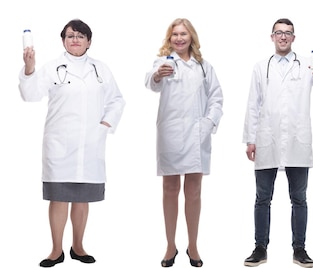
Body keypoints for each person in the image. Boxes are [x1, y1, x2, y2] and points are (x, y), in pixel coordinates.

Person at [18, 19, 125, 267]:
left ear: (89, 41)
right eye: (69, 36)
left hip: (90, 145)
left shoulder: (101, 69)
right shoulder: (52, 67)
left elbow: (117, 100)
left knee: (82, 198)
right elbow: (30, 94)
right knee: (59, 198)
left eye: (80, 35)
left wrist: (105, 126)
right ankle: (56, 250)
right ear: (63, 40)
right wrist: (29, 68)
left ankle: (78, 247)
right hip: (60, 144)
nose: (74, 39)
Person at [241, 18, 313, 268]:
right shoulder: (261, 67)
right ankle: (260, 248)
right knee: (262, 198)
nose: (283, 37)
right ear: (271, 37)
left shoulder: (308, 64)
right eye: (278, 33)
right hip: (267, 140)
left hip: (297, 140)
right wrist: (250, 140)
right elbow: (253, 104)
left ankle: (300, 249)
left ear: (294, 38)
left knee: (299, 198)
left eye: (288, 33)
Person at [144, 18, 224, 268]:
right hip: (170, 134)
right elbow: (151, 83)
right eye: (174, 35)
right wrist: (158, 74)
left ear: (192, 37)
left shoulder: (204, 66)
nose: (179, 38)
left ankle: (193, 244)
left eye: (183, 34)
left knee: (194, 191)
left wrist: (208, 123)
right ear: (170, 39)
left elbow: (217, 98)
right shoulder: (163, 63)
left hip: (197, 134)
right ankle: (170, 245)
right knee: (169, 189)